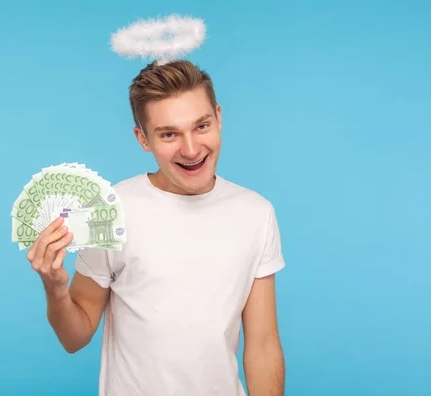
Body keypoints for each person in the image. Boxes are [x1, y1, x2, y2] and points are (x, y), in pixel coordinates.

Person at [27, 60, 286, 396]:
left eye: (202, 126)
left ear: (219, 117)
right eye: (168, 134)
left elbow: (263, 345)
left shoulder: (256, 213)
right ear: (143, 139)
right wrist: (55, 288)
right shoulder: (112, 212)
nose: (191, 149)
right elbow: (74, 338)